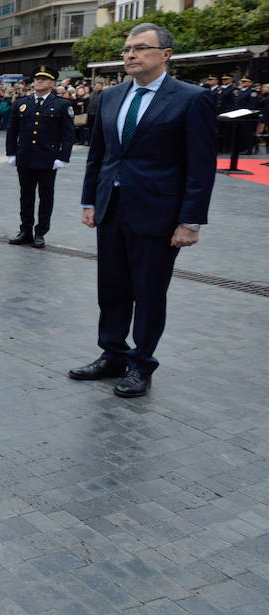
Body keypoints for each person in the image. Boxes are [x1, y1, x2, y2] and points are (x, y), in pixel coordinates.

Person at [70, 23, 217, 398]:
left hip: (159, 213)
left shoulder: (190, 98)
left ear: (165, 54)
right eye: (127, 49)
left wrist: (190, 221)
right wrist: (90, 202)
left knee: (149, 291)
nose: (130, 55)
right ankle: (113, 353)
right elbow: (99, 156)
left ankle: (141, 363)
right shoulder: (111, 96)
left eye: (140, 48)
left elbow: (200, 167)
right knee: (112, 286)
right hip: (112, 208)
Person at [5, 67, 75, 249]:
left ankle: (41, 232)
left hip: (47, 159)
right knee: (25, 196)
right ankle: (25, 230)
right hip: (25, 157)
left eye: (44, 79)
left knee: (46, 197)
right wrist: (11, 153)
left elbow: (68, 134)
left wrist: (63, 157)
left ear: (52, 83)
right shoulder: (22, 102)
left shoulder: (62, 104)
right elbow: (12, 130)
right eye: (37, 78)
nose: (39, 81)